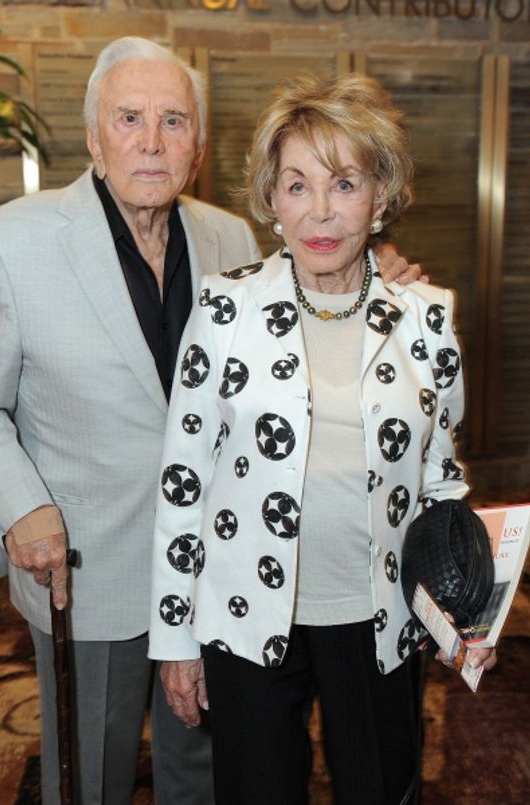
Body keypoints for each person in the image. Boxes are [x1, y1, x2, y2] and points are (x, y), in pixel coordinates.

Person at [0, 37, 419, 805]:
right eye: (129, 118)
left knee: (206, 773)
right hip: (86, 567)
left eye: (173, 120)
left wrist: (382, 274)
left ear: (197, 145)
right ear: (94, 135)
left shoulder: (229, 236)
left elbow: (320, 276)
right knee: (89, 773)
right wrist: (21, 506)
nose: (151, 141)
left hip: (221, 570)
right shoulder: (10, 243)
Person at [148, 72, 497, 805]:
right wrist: (176, 638)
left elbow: (443, 481)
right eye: (297, 185)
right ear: (272, 200)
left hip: (379, 615)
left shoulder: (425, 320)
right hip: (246, 618)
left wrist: (472, 609)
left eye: (344, 184)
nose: (321, 212)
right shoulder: (225, 310)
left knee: (381, 789)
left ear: (380, 195)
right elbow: (183, 483)